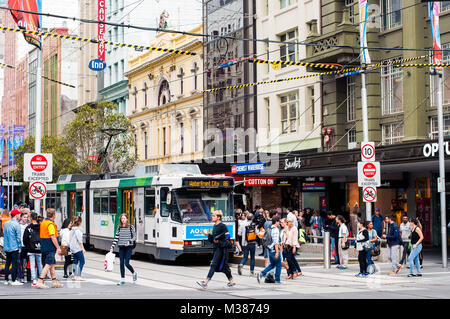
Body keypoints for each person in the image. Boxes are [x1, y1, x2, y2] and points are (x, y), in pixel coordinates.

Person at [197, 210, 235, 289]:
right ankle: (232, 282)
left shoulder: (222, 226)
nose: (212, 217)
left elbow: (227, 237)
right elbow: (213, 239)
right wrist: (207, 235)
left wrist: (219, 241)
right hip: (216, 248)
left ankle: (205, 282)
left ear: (218, 217)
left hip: (221, 249)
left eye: (214, 216)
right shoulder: (215, 226)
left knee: (213, 265)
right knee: (224, 267)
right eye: (212, 215)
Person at [35, 208, 64, 289]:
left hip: (44, 246)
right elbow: (53, 236)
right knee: (48, 264)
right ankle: (40, 280)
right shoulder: (50, 224)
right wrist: (58, 247)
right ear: (54, 215)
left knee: (52, 264)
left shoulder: (43, 223)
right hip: (50, 247)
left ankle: (54, 281)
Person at [110, 214, 137, 285]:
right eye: (122, 218)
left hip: (129, 247)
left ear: (127, 219)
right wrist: (112, 247)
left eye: (124, 218)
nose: (123, 220)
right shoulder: (119, 228)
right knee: (121, 263)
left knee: (126, 263)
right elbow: (116, 238)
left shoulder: (131, 227)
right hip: (121, 247)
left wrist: (129, 242)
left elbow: (134, 237)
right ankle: (122, 279)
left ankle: (134, 273)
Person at [257, 216, 283, 284]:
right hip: (274, 250)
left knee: (272, 265)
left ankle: (261, 274)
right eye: (279, 221)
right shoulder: (276, 230)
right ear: (276, 222)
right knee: (278, 265)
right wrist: (277, 252)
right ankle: (277, 280)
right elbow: (275, 242)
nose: (279, 223)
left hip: (270, 250)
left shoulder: (270, 228)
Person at [3, 209, 23, 285]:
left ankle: (6, 279)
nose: (19, 215)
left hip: (7, 246)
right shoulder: (16, 224)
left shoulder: (6, 224)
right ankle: (13, 280)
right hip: (14, 246)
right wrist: (19, 247)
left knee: (7, 263)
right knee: (14, 264)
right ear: (16, 215)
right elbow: (18, 237)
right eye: (18, 214)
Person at [23, 213, 43, 286]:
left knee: (32, 264)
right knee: (39, 263)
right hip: (39, 247)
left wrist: (28, 246)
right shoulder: (40, 227)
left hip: (31, 249)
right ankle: (41, 278)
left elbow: (25, 239)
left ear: (31, 218)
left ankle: (34, 279)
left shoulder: (28, 228)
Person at [70, 216, 86, 281]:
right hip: (77, 248)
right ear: (80, 222)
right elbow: (80, 241)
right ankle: (78, 275)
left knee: (75, 261)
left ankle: (74, 275)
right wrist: (83, 249)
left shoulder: (72, 229)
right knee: (82, 261)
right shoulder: (78, 230)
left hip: (73, 248)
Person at [18, 210, 31, 283]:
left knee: (28, 262)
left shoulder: (28, 225)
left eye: (26, 217)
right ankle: (21, 276)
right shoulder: (18, 225)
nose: (25, 218)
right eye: (24, 217)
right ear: (21, 217)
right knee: (20, 262)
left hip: (27, 246)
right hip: (20, 246)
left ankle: (29, 277)